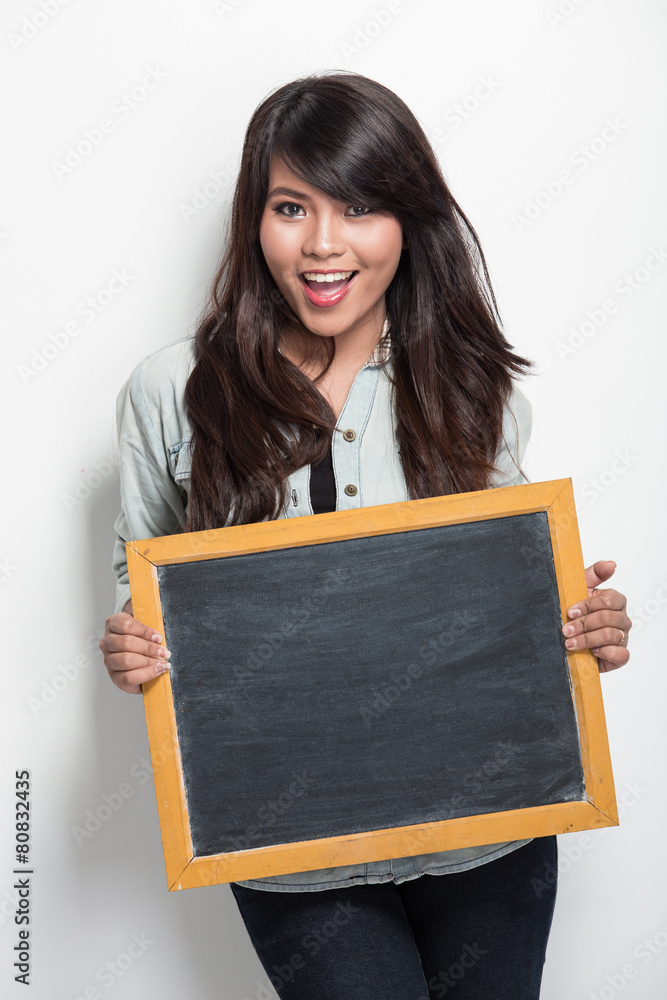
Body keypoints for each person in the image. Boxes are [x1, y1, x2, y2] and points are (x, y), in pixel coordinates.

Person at [100, 72, 632, 999]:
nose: (322, 245)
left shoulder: (474, 384)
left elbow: (511, 593)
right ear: (251, 218)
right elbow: (139, 576)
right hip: (286, 838)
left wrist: (581, 628)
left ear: (407, 222)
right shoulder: (171, 390)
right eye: (289, 206)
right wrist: (128, 643)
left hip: (489, 825)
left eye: (359, 206)